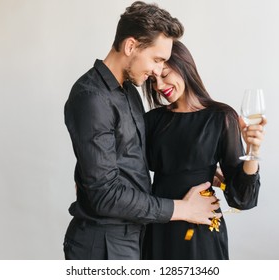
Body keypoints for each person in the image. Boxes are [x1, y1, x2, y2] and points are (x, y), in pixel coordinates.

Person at [63, 1, 221, 260]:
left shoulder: (128, 91)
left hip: (134, 236)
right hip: (103, 246)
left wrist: (196, 165)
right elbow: (104, 194)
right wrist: (183, 209)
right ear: (130, 46)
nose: (158, 71)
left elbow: (134, 156)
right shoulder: (91, 98)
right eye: (157, 59)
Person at [142, 40, 267, 260]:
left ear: (184, 67)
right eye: (153, 79)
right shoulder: (151, 120)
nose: (159, 86)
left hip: (201, 227)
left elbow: (242, 198)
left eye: (165, 74)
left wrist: (252, 150)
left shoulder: (220, 117)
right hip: (160, 225)